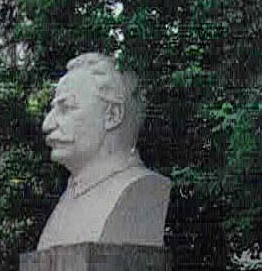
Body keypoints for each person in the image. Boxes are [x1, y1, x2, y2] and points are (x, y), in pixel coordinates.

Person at [37, 52, 171, 250]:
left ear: (112, 115)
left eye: (66, 108)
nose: (47, 124)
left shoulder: (139, 190)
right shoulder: (69, 197)